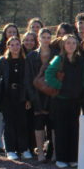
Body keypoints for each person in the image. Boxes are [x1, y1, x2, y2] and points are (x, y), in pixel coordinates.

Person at [0, 36, 32, 160]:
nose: (15, 47)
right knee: (9, 123)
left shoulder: (25, 61)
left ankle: (23, 149)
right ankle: (10, 149)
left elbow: (28, 81)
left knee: (22, 123)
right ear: (8, 46)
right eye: (12, 45)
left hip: (21, 96)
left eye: (17, 44)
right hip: (6, 95)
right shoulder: (2, 61)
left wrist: (28, 98)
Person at [45, 34, 84, 167]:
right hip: (60, 100)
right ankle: (61, 158)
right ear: (63, 45)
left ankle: (73, 158)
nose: (71, 45)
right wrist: (60, 86)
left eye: (74, 43)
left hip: (75, 100)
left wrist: (82, 91)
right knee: (61, 130)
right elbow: (48, 74)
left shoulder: (80, 60)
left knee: (74, 130)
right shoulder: (58, 59)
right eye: (68, 43)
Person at [0, 23, 19, 153]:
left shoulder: (21, 55)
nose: (12, 34)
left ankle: (10, 144)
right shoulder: (0, 55)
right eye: (9, 32)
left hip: (15, 93)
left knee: (11, 120)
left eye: (14, 32)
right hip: (0, 91)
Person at [25, 27, 54, 161]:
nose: (46, 40)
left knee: (53, 124)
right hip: (36, 94)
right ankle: (40, 152)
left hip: (52, 94)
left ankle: (53, 152)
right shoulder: (32, 56)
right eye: (44, 37)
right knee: (38, 123)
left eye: (49, 37)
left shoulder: (56, 55)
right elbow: (28, 78)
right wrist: (31, 97)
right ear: (39, 38)